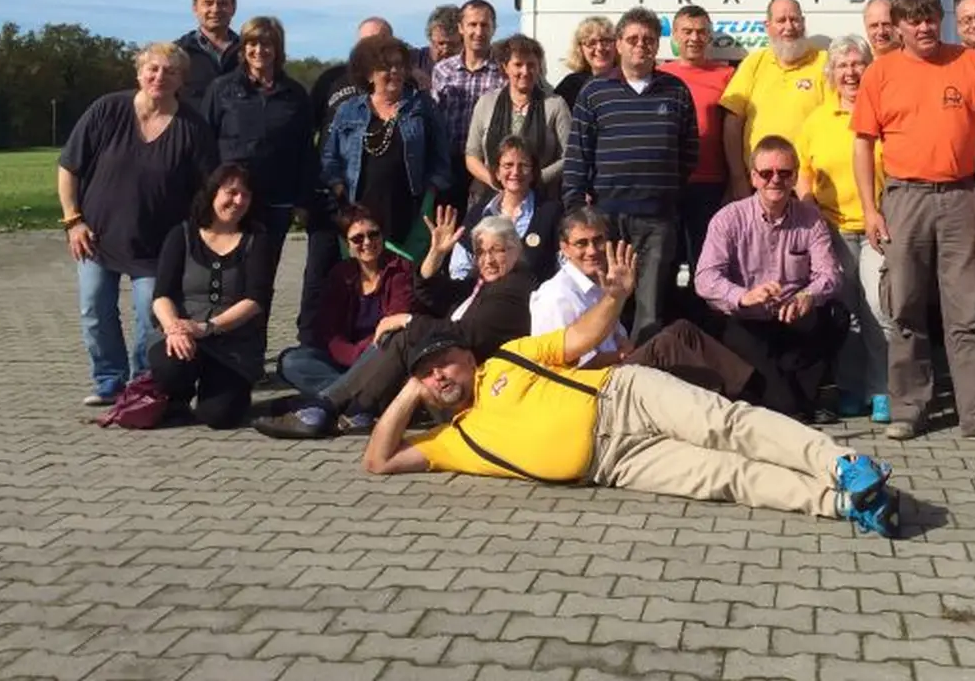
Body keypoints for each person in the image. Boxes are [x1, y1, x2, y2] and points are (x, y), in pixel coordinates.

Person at [360, 241, 902, 539]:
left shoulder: (507, 359)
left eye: (443, 363)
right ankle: (840, 504)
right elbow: (378, 463)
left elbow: (583, 336)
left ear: (464, 354)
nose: (440, 376)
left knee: (727, 425)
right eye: (428, 375)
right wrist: (409, 392)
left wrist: (614, 298)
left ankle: (842, 464)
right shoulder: (452, 441)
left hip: (623, 393)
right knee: (725, 477)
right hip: (614, 464)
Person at [851, 0, 975, 446]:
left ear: (939, 19)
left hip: (961, 197)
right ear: (899, 28)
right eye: (913, 20)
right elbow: (863, 143)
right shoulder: (881, 73)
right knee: (905, 306)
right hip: (903, 199)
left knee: (969, 308)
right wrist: (871, 208)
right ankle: (909, 409)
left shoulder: (971, 63)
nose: (924, 27)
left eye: (930, 17)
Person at [254, 210, 535, 439]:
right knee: (293, 360)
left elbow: (464, 333)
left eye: (496, 251)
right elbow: (432, 294)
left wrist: (407, 321)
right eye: (480, 252)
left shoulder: (511, 287)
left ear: (515, 249)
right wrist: (436, 253)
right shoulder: (481, 283)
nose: (487, 259)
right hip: (365, 360)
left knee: (398, 336)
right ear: (347, 245)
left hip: (455, 382)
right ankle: (355, 406)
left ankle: (325, 405)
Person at [58, 42, 217, 405]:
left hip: (157, 247)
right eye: (153, 69)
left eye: (170, 71)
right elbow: (68, 167)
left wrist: (194, 240)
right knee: (95, 311)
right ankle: (108, 381)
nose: (160, 76)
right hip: (95, 238)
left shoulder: (193, 127)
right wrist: (73, 221)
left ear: (182, 80)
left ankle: (141, 384)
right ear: (139, 73)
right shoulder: (107, 109)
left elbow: (206, 190)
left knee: (151, 317)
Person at [563, 7, 699, 339]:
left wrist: (662, 190)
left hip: (657, 220)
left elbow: (689, 152)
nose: (641, 45)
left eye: (649, 40)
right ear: (620, 44)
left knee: (649, 308)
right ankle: (605, 374)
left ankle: (642, 377)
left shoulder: (676, 91)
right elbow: (578, 155)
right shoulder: (594, 92)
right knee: (606, 302)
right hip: (607, 219)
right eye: (633, 39)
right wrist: (575, 212)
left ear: (657, 46)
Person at [693, 135, 848, 422]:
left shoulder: (810, 218)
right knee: (786, 407)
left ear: (794, 178)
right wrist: (742, 295)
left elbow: (830, 274)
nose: (775, 180)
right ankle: (787, 398)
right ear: (753, 178)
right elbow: (704, 278)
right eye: (766, 173)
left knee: (837, 315)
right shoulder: (729, 219)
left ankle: (798, 392)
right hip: (746, 321)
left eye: (784, 173)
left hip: (790, 319)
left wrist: (807, 296)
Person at [529, 208, 757, 397]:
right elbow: (571, 365)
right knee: (664, 348)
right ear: (565, 248)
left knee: (682, 330)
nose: (592, 251)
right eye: (581, 243)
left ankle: (752, 391)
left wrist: (620, 308)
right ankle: (723, 403)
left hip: (614, 369)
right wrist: (621, 355)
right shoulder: (556, 295)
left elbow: (618, 337)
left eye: (598, 241)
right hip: (589, 387)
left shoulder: (598, 282)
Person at [796, 37, 890, 423]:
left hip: (879, 227)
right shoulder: (817, 119)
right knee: (847, 312)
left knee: (880, 309)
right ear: (831, 74)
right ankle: (850, 389)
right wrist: (808, 207)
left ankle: (882, 389)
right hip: (833, 229)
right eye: (843, 66)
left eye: (858, 64)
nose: (851, 72)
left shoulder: (886, 111)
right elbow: (804, 170)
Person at [147, 164, 273, 429]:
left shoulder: (257, 239)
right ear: (213, 194)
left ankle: (222, 392)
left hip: (233, 342)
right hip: (183, 333)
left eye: (246, 195)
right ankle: (176, 398)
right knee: (170, 368)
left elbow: (254, 300)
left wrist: (208, 327)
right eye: (232, 192)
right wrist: (174, 328)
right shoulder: (181, 235)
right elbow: (162, 294)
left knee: (219, 416)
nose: (239, 201)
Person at [299, 16, 396, 345]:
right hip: (332, 198)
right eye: (366, 41)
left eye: (381, 41)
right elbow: (306, 136)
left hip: (378, 201)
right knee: (319, 272)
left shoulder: (400, 86)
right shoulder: (330, 79)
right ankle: (311, 342)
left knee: (371, 272)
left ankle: (367, 341)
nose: (372, 47)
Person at [272, 204, 417, 413]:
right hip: (345, 360)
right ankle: (362, 401)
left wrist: (363, 355)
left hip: (383, 357)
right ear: (347, 244)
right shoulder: (340, 274)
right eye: (358, 239)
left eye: (373, 235)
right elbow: (328, 331)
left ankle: (330, 402)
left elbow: (394, 322)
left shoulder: (400, 269)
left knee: (386, 341)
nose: (367, 242)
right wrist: (352, 357)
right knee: (291, 361)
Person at [320, 33, 451, 258]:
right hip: (360, 208)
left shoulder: (422, 106)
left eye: (400, 65)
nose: (395, 72)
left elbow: (441, 157)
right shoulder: (348, 110)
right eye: (386, 67)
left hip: (409, 209)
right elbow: (330, 157)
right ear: (369, 74)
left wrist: (430, 194)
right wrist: (338, 188)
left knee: (406, 279)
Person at [202, 16, 313, 266]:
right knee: (227, 273)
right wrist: (208, 192)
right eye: (252, 44)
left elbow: (305, 150)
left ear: (277, 49)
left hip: (277, 200)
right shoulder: (221, 89)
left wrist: (302, 201)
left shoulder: (295, 95)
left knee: (262, 277)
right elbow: (204, 143)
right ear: (243, 48)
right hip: (230, 200)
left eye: (267, 45)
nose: (259, 51)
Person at [720, 0, 828, 196]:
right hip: (759, 183)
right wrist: (738, 178)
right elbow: (732, 123)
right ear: (767, 26)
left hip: (809, 188)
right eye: (781, 20)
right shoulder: (754, 63)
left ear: (803, 23)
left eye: (795, 19)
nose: (789, 27)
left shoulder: (824, 63)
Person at [660, 5, 735, 265]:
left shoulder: (727, 75)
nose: (694, 38)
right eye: (687, 31)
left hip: (711, 182)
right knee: (666, 260)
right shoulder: (659, 75)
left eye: (701, 32)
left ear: (710, 36)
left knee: (705, 260)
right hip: (668, 182)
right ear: (675, 36)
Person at [464, 34, 571, 202]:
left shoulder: (555, 105)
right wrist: (496, 180)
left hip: (541, 199)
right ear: (505, 67)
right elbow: (472, 155)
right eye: (518, 65)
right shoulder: (486, 103)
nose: (525, 71)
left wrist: (533, 178)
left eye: (531, 65)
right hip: (488, 197)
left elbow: (570, 155)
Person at [452, 136, 562, 285]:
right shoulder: (478, 214)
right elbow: (460, 270)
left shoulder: (552, 212)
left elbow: (565, 267)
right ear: (497, 172)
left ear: (534, 172)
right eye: (508, 165)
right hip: (487, 302)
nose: (515, 172)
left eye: (523, 165)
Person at [431, 0, 506, 215]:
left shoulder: (503, 72)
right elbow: (436, 121)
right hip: (448, 167)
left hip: (486, 168)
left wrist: (483, 175)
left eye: (485, 25)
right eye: (472, 25)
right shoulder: (443, 70)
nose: (478, 31)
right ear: (461, 28)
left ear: (493, 29)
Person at [176, 0, 241, 108]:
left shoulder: (249, 53)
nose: (215, 9)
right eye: (208, 3)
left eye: (222, 4)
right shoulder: (177, 52)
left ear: (233, 8)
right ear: (195, 8)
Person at [552, 16, 618, 110]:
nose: (599, 48)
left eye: (606, 41)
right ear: (581, 49)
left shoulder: (630, 81)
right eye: (591, 43)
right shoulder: (571, 85)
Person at [413, 4, 461, 86]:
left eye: (453, 44)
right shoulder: (413, 60)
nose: (446, 50)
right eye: (441, 43)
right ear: (430, 39)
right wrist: (410, 70)